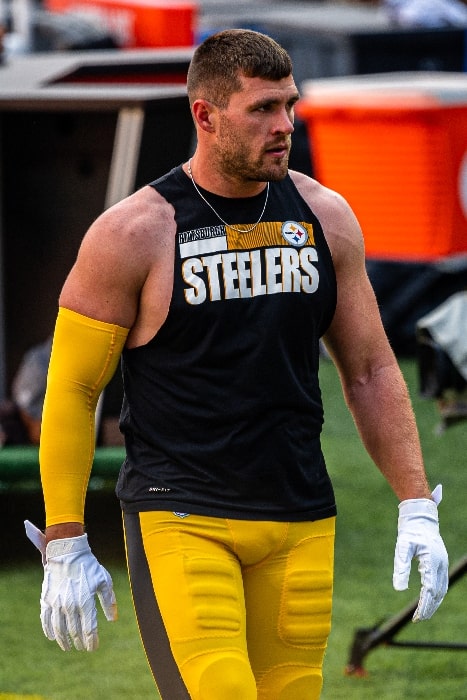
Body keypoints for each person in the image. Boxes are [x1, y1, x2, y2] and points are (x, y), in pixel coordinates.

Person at [25, 29, 449, 700]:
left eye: (288, 104)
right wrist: (65, 538)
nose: (284, 126)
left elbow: (368, 368)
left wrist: (414, 505)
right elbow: (73, 389)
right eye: (261, 109)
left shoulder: (324, 216)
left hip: (300, 514)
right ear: (205, 114)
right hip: (182, 515)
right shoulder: (133, 232)